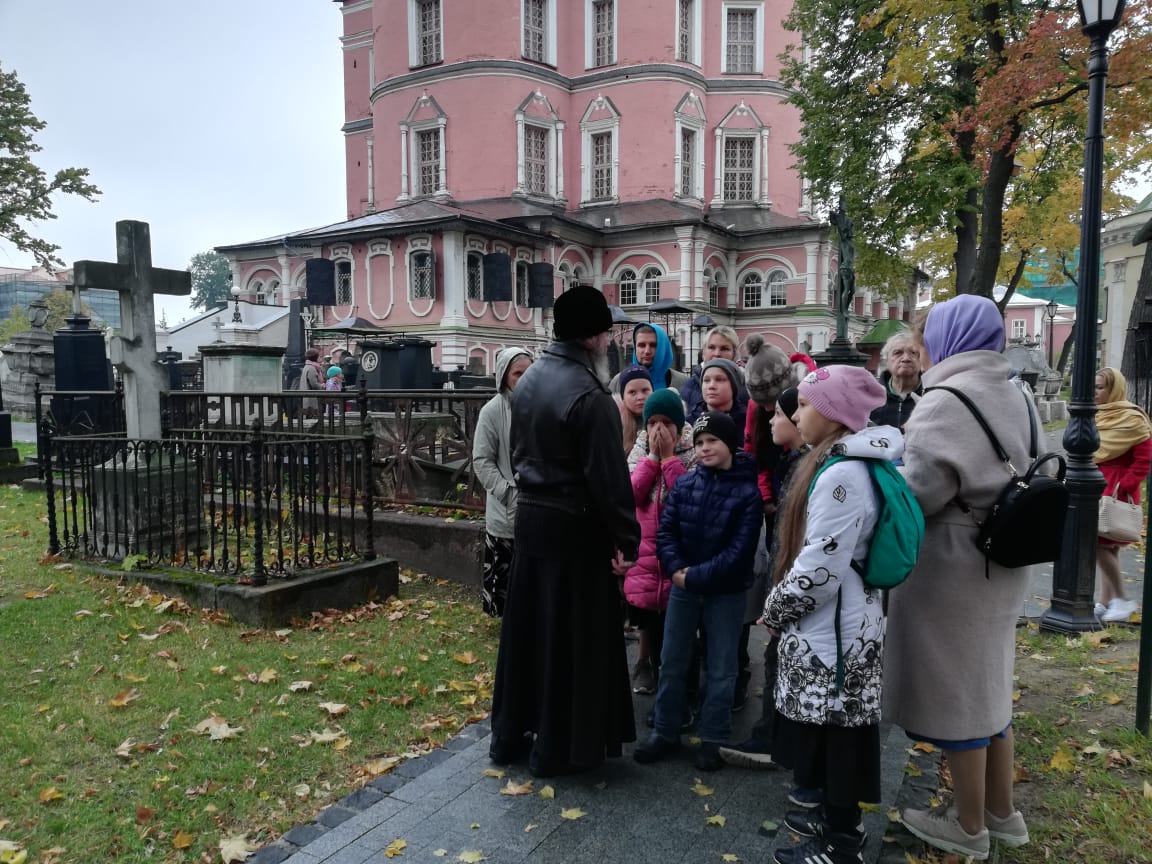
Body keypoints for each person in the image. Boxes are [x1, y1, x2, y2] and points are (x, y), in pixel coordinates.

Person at [886, 295, 1038, 861]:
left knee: (958, 698)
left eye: (924, 342)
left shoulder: (945, 400)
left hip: (954, 566)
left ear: (946, 341)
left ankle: (968, 827)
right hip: (1003, 558)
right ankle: (1002, 813)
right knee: (989, 688)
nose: (921, 352)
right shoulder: (1017, 391)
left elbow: (920, 493)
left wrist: (887, 473)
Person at [488, 285, 640, 778]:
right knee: (571, 638)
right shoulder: (592, 397)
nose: (610, 341)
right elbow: (609, 480)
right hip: (576, 530)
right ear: (592, 337)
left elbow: (519, 453)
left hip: (532, 521)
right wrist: (628, 540)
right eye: (607, 333)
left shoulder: (529, 380)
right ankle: (558, 748)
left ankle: (511, 734)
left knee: (531, 631)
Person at [762, 366, 892, 864]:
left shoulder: (840, 476)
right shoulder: (849, 464)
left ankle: (841, 843)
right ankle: (835, 822)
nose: (796, 414)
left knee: (839, 735)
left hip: (834, 633)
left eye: (805, 405)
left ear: (833, 413)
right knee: (833, 729)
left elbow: (819, 569)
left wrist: (776, 607)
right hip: (842, 625)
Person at [633, 411, 762, 772]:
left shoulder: (747, 493)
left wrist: (693, 577)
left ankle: (713, 737)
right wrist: (676, 569)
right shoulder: (687, 484)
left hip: (724, 592)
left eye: (713, 441)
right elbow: (667, 532)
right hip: (683, 587)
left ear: (730, 444)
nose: (705, 448)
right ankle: (665, 729)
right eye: (701, 442)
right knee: (672, 660)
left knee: (721, 667)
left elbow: (739, 552)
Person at [721, 386, 807, 768]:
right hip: (786, 582)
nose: (773, 421)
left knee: (778, 658)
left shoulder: (804, 467)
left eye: (781, 415)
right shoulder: (792, 461)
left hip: (791, 585)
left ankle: (772, 739)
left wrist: (779, 596)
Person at [623, 389, 695, 695]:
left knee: (678, 628)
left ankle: (681, 689)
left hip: (679, 550)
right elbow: (631, 494)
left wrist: (668, 458)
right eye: (652, 423)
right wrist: (653, 458)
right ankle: (648, 668)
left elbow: (688, 497)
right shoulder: (640, 449)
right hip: (647, 552)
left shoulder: (692, 449)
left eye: (666, 422)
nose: (658, 430)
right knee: (649, 620)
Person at [472, 346, 533, 618]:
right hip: (507, 508)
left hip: (537, 505)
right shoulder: (492, 411)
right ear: (504, 376)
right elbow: (482, 460)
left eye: (529, 372)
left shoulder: (539, 406)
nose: (524, 378)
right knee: (506, 574)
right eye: (518, 373)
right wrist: (508, 494)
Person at [1093, 366, 1151, 623]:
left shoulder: (1133, 419)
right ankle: (1105, 601)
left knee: (1098, 545)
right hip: (1096, 487)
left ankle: (1121, 599)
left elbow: (1144, 460)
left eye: (1100, 387)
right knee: (1109, 547)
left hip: (1117, 492)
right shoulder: (1097, 415)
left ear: (1114, 389)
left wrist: (1123, 486)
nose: (1094, 393)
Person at [609, 323, 689, 393]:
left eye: (653, 345)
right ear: (635, 348)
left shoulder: (682, 382)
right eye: (642, 345)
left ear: (663, 348)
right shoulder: (619, 382)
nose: (647, 351)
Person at [680, 325, 742, 410]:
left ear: (734, 354)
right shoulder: (689, 387)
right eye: (711, 347)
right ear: (704, 351)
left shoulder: (746, 388)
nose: (717, 354)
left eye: (724, 349)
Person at [870, 331, 923, 430]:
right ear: (886, 360)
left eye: (913, 353)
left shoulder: (930, 395)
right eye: (898, 353)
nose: (906, 358)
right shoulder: (871, 396)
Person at [688, 356, 748, 429]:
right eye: (706, 380)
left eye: (719, 380)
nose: (711, 386)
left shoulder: (748, 422)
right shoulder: (688, 424)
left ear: (734, 385)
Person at [617, 364, 654, 453]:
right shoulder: (614, 424)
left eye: (645, 390)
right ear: (623, 398)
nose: (640, 397)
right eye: (632, 392)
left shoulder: (666, 420)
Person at [297, 348, 325, 417]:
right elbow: (314, 384)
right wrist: (322, 386)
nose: (320, 358)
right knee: (313, 417)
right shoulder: (312, 368)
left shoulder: (307, 366)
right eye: (319, 356)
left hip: (307, 396)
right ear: (315, 357)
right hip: (311, 399)